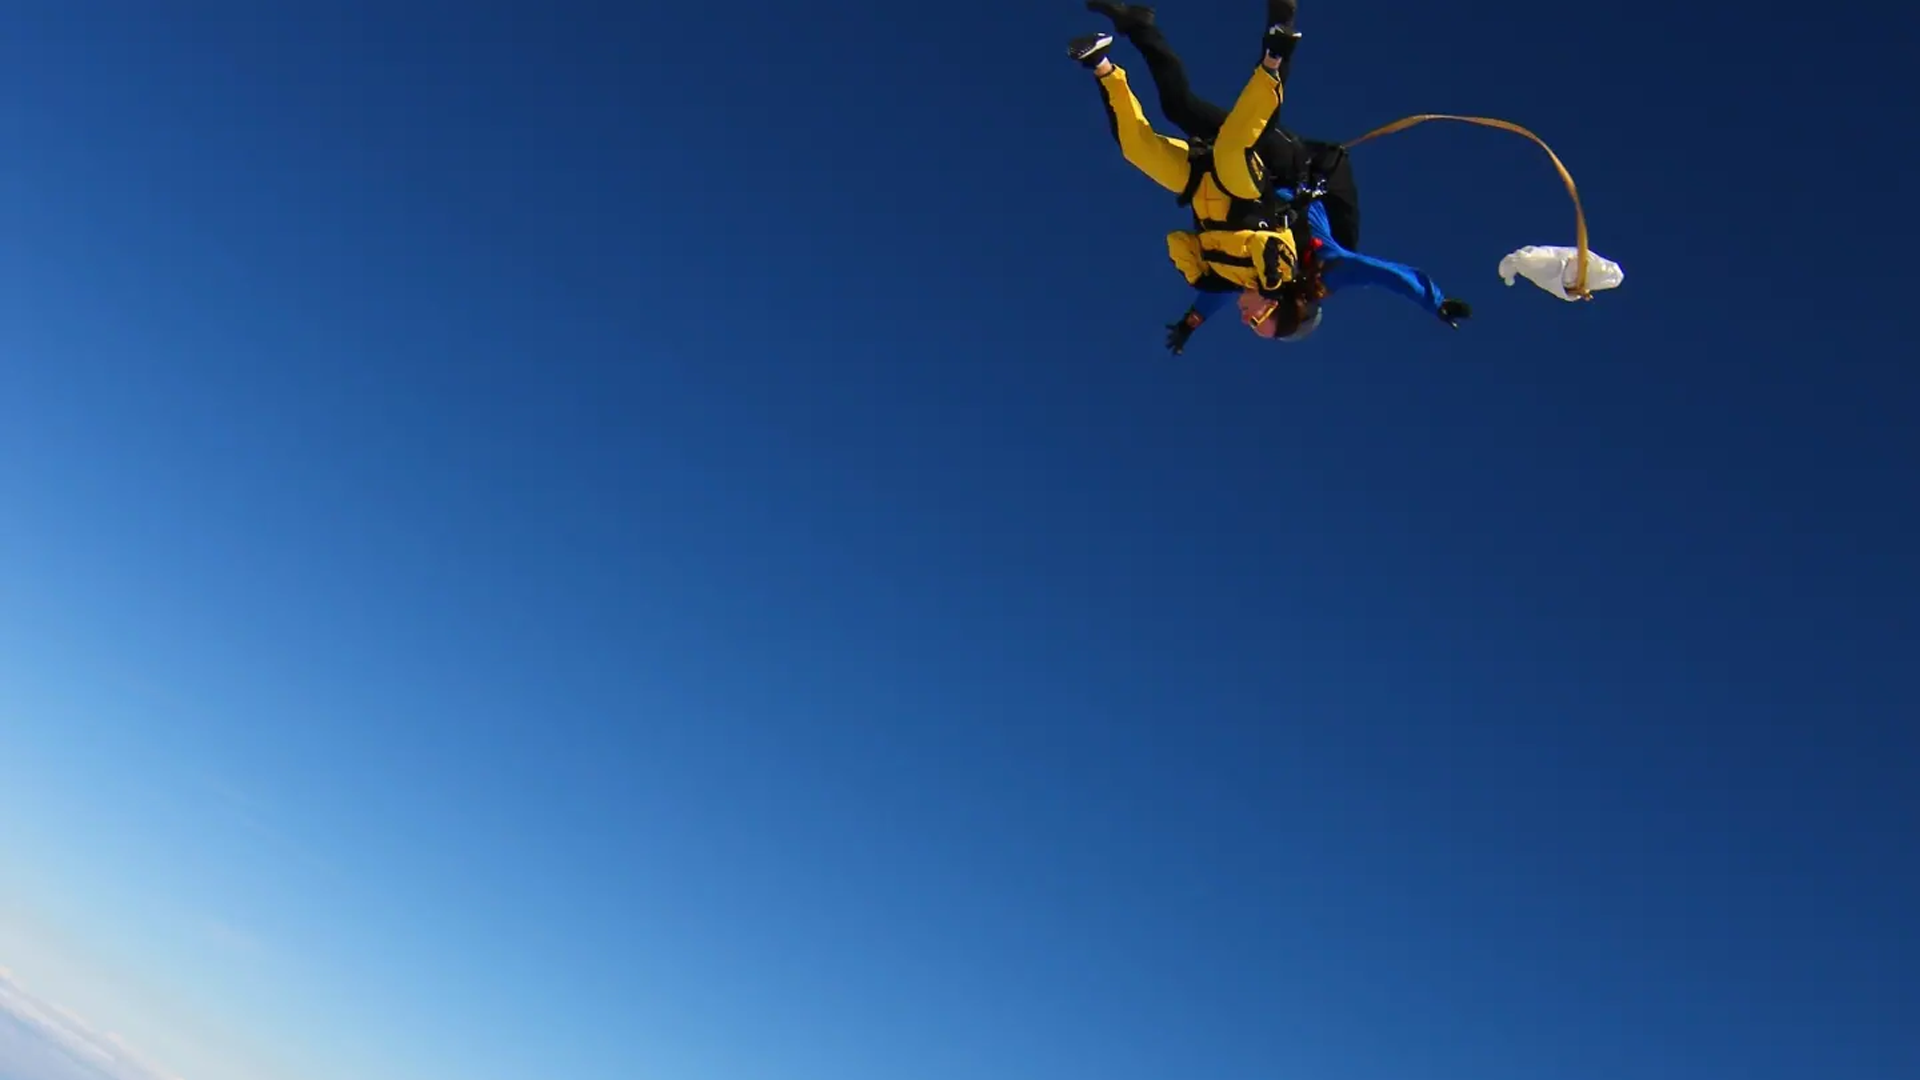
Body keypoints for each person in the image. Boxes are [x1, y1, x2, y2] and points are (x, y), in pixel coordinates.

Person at [1070, 2, 1472, 352]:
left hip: (1228, 181)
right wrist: (1436, 303)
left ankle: (1131, 33)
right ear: (1274, 307)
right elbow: (1386, 274)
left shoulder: (1247, 276)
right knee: (1239, 142)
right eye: (1254, 323)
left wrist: (1190, 324)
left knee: (1176, 109)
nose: (1244, 319)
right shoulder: (1324, 269)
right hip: (1285, 167)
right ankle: (1277, 47)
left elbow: (1216, 291)